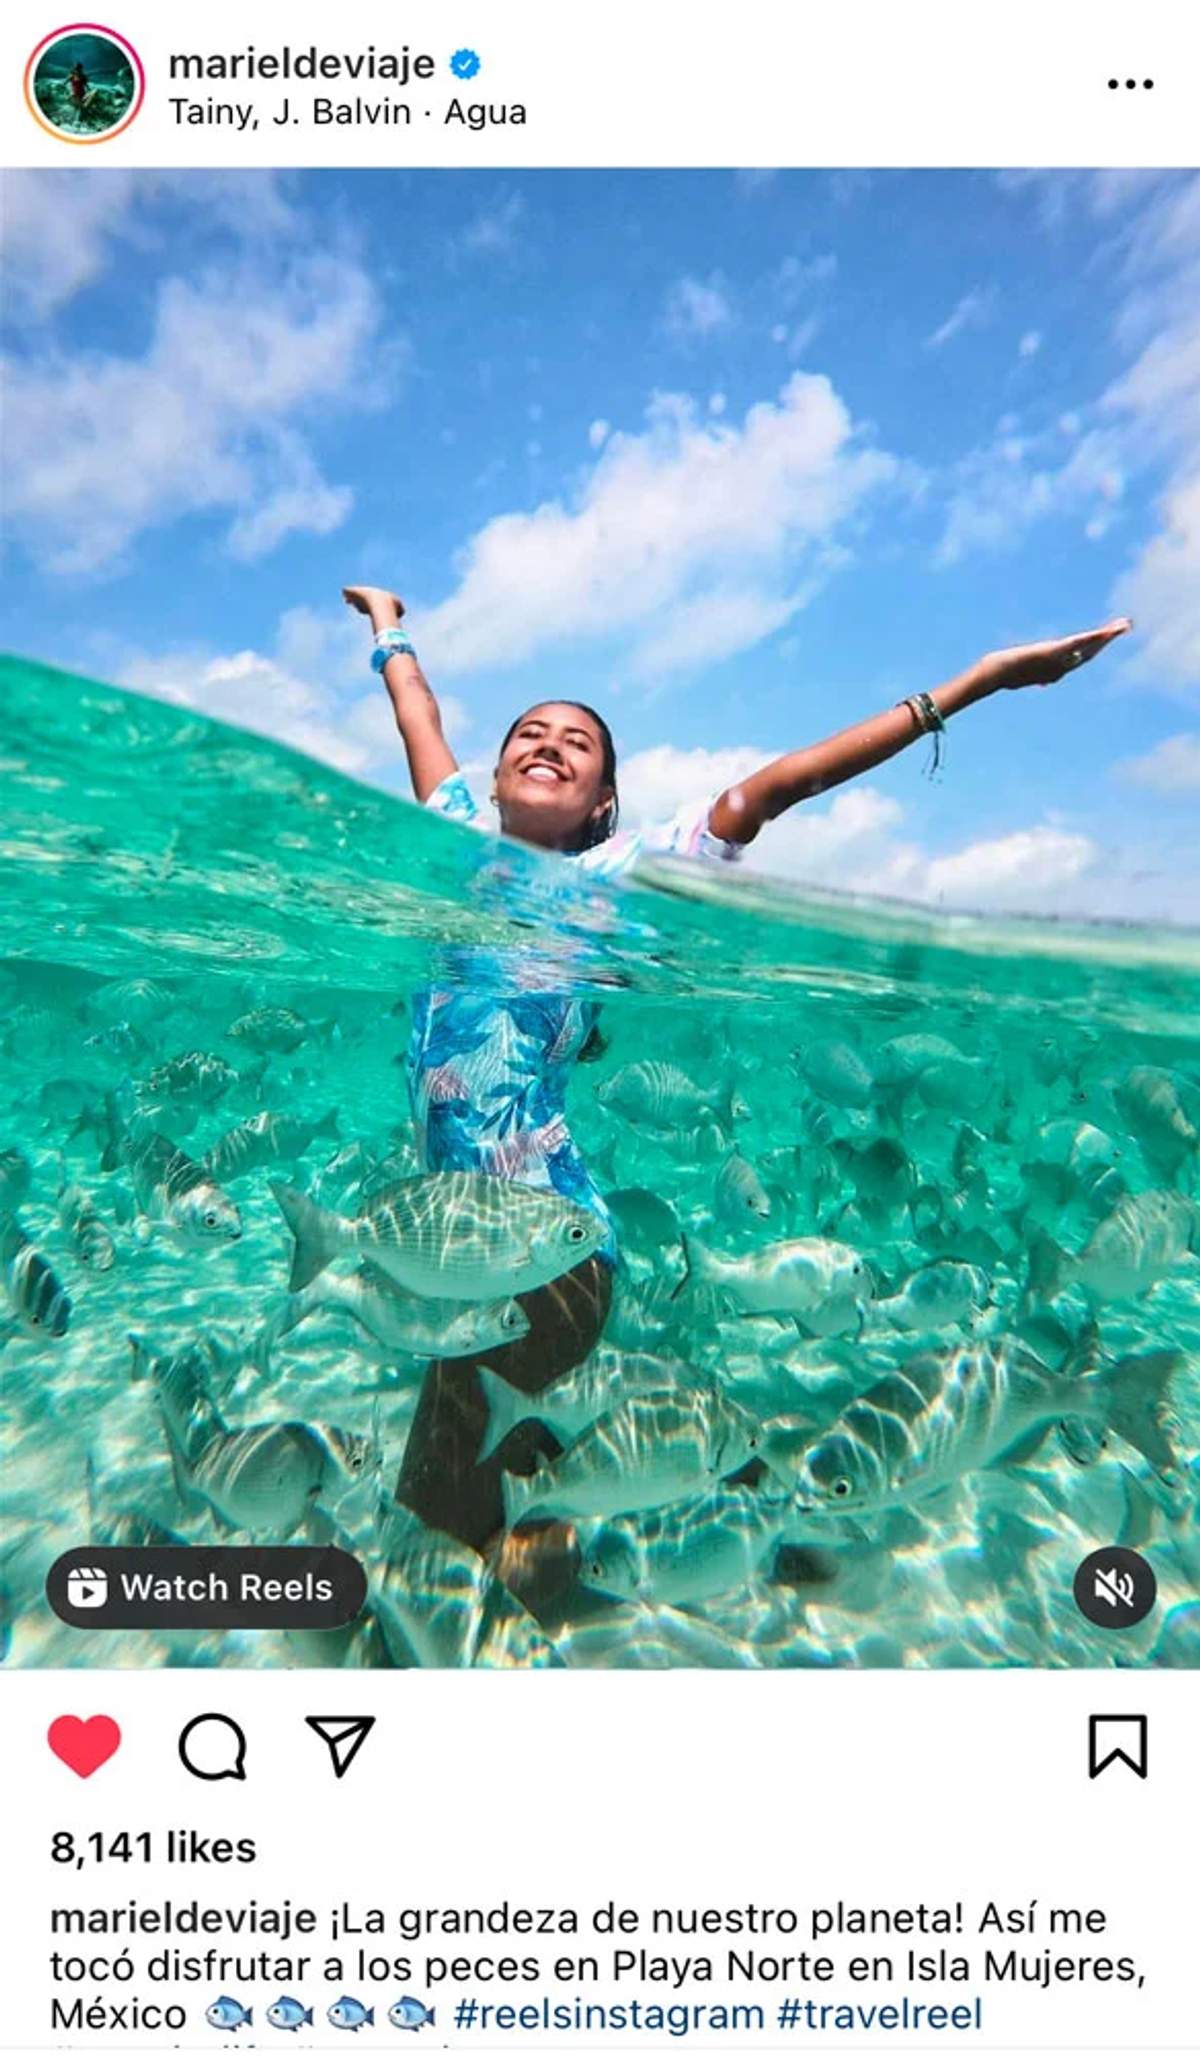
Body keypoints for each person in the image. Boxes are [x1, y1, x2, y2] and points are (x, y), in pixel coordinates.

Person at [342, 582, 1129, 1601]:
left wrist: (973, 685)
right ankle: (732, 1530)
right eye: (529, 732)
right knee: (489, 1494)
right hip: (478, 1247)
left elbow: (773, 787)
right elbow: (418, 711)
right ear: (492, 776)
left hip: (545, 1249)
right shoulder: (451, 831)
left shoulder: (625, 871)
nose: (549, 742)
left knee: (438, 1519)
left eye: (578, 743)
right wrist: (389, 627)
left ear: (603, 804)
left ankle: (665, 1570)